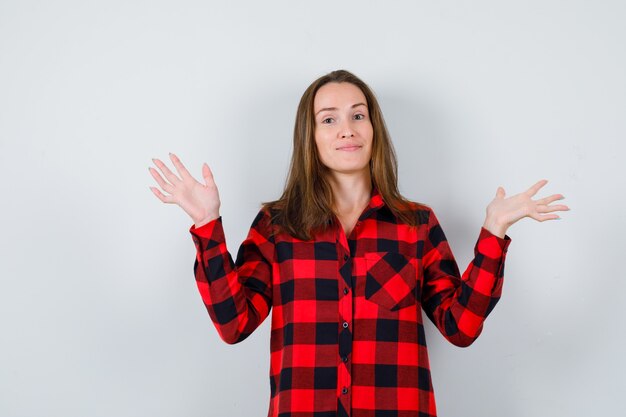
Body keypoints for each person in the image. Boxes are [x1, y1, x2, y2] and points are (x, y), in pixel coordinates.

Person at [148, 70, 569, 417]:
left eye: (358, 116)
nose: (346, 130)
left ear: (374, 128)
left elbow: (460, 327)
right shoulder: (277, 226)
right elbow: (233, 324)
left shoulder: (415, 225)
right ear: (310, 136)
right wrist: (207, 224)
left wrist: (494, 232)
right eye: (329, 119)